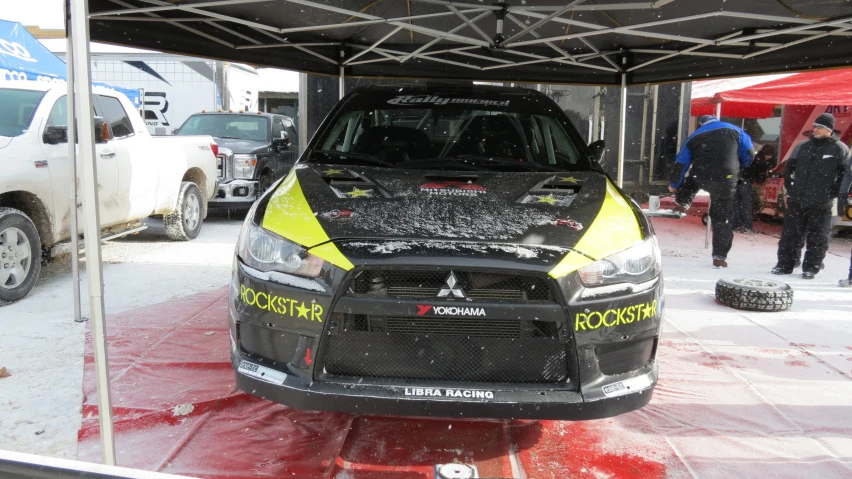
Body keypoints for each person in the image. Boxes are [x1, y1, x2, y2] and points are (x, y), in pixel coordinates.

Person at [772, 113, 850, 279]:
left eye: (819, 127)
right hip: (798, 199)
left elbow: (845, 174)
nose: (814, 129)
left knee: (818, 237)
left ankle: (811, 268)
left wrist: (833, 192)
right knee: (790, 235)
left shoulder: (839, 149)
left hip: (822, 202)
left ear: (829, 130)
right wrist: (790, 188)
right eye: (814, 126)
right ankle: (785, 265)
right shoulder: (803, 146)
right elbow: (789, 168)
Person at [669, 115, 754, 268]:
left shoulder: (695, 135)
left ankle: (683, 203)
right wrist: (739, 165)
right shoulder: (736, 131)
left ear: (701, 124)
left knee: (691, 182)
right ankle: (719, 257)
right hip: (727, 178)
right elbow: (749, 153)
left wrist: (674, 184)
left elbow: (681, 162)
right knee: (722, 218)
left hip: (701, 174)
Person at [733, 144, 776, 233]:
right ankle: (747, 225)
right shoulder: (760, 161)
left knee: (736, 203)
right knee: (746, 204)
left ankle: (736, 224)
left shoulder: (753, 157)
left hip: (737, 179)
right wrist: (759, 181)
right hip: (745, 181)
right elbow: (757, 173)